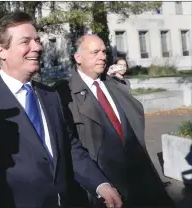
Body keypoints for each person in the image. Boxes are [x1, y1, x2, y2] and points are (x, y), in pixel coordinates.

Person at [0, 12, 122, 208]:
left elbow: (69, 146)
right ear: (2, 51)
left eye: (37, 40)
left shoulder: (50, 96)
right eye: (26, 41)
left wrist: (100, 184)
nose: (37, 47)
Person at [55, 34, 174, 207]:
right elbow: (70, 148)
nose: (103, 56)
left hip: (141, 182)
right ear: (78, 57)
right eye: (95, 52)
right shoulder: (64, 94)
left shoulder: (115, 85)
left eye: (104, 51)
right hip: (102, 190)